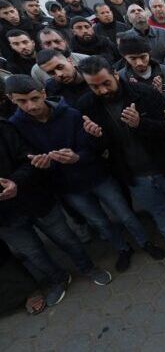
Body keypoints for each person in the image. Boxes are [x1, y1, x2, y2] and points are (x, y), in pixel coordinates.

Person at [7, 74, 165, 273]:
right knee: (99, 222)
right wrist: (41, 164)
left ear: (43, 93)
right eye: (22, 101)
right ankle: (122, 248)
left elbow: (93, 146)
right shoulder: (15, 127)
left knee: (124, 214)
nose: (30, 106)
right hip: (68, 187)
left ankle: (145, 242)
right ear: (11, 99)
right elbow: (26, 159)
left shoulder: (70, 114)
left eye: (34, 98)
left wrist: (78, 157)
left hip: (97, 176)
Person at [77, 56, 165, 254]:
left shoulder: (144, 93)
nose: (103, 90)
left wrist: (140, 124)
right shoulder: (86, 106)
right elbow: (98, 148)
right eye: (95, 87)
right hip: (134, 173)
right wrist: (96, 137)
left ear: (116, 75)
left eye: (106, 83)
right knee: (156, 208)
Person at [0, 95, 112, 307]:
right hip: (6, 220)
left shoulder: (4, 128)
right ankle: (58, 279)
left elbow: (28, 160)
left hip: (34, 200)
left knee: (66, 238)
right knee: (33, 253)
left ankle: (88, 268)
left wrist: (15, 182)